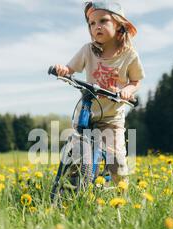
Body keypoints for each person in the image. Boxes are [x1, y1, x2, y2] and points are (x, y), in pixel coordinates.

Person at [53, 1, 145, 184]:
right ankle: (73, 191)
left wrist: (126, 90)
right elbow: (71, 68)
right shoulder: (88, 50)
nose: (97, 27)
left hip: (111, 118)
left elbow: (136, 81)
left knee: (116, 161)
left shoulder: (129, 55)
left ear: (119, 24)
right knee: (79, 158)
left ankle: (122, 192)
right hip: (86, 114)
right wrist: (63, 70)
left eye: (103, 21)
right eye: (92, 23)